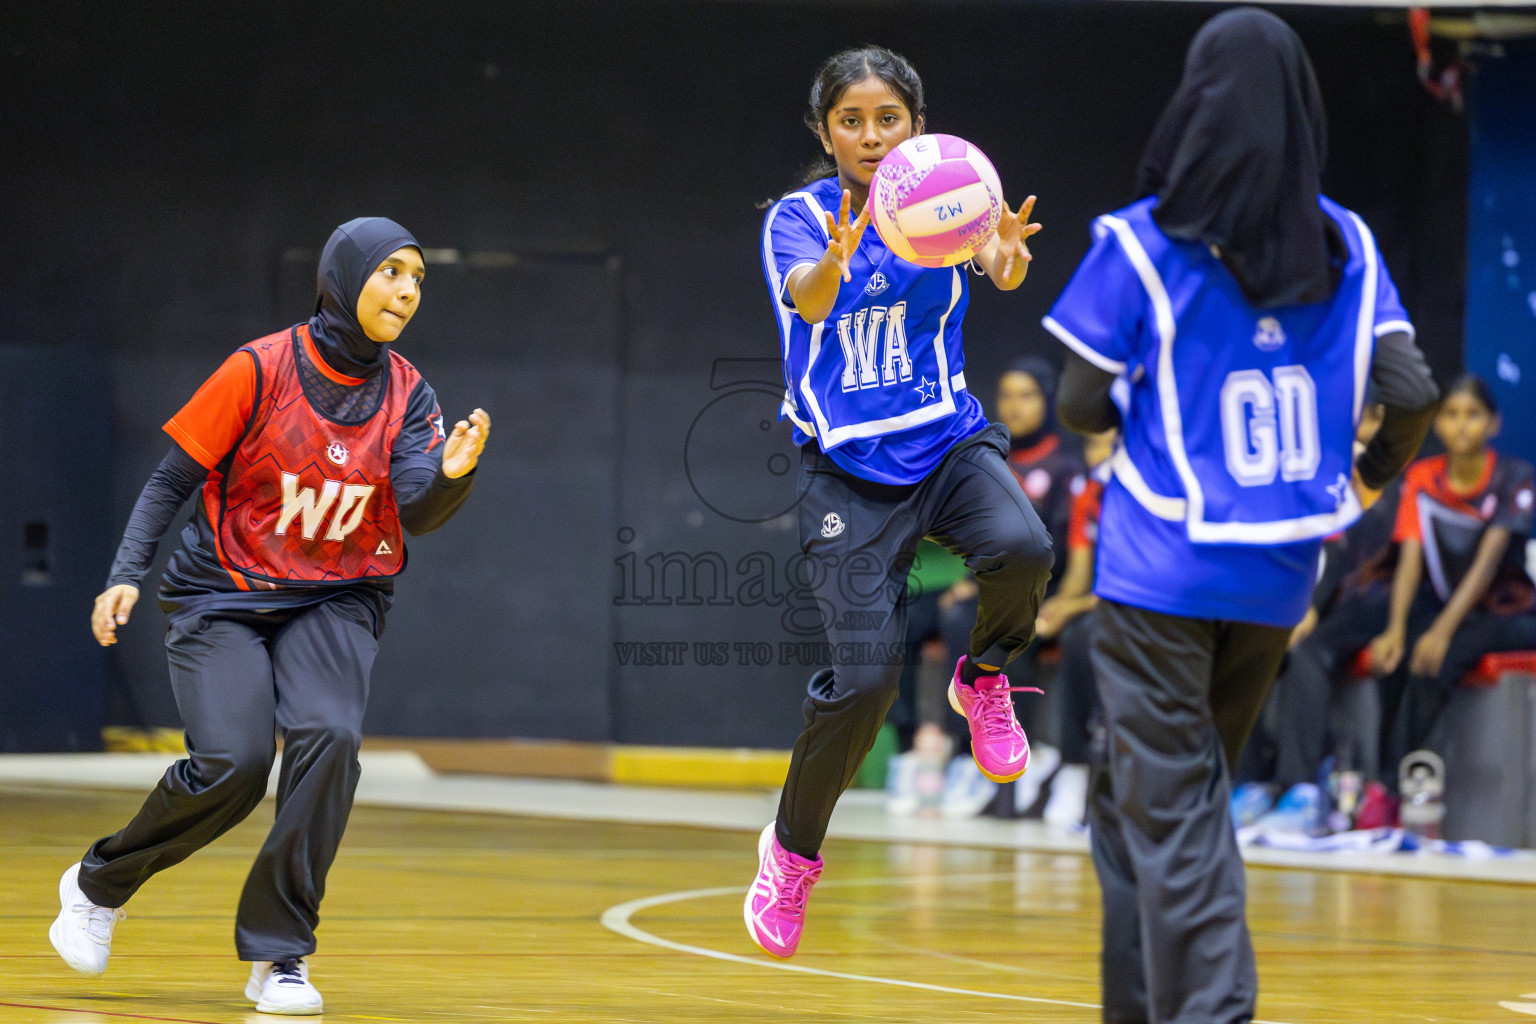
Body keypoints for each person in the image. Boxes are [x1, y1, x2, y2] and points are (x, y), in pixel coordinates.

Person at [1044, 9, 1438, 1022]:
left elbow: (1080, 403)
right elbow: (1410, 389)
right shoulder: (1345, 240)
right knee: (1136, 804)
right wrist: (1359, 484)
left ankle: (1214, 1011)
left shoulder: (1139, 246)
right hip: (1274, 578)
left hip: (1156, 573)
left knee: (1173, 812)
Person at [50, 218, 490, 1016]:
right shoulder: (260, 368)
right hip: (222, 593)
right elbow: (169, 480)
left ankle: (280, 956)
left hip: (338, 592)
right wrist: (123, 576)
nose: (406, 292)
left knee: (332, 737)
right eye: (391, 272)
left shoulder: (409, 394)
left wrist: (452, 476)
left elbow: (418, 510)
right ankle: (96, 884)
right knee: (236, 764)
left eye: (418, 280)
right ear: (345, 274)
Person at [748, 45, 1052, 959]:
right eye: (852, 120)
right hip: (846, 470)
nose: (872, 136)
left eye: (889, 119)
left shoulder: (954, 196)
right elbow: (806, 303)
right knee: (868, 681)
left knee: (1026, 548)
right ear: (824, 131)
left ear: (916, 124)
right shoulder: (797, 221)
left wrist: (1001, 260)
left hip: (947, 440)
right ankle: (791, 854)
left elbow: (1001, 272)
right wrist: (833, 265)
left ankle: (985, 679)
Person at [1369, 374, 1536, 791]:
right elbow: (1411, 559)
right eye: (1451, 414)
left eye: (1473, 415)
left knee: (1437, 659)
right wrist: (1397, 629)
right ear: (1438, 423)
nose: (1462, 425)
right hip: (1456, 613)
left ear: (1493, 423)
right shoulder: (1423, 476)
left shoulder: (1516, 477)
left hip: (1512, 615)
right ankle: (1380, 784)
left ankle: (1405, 787)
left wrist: (1440, 634)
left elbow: (1485, 567)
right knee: (1400, 654)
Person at [1033, 426, 1117, 826]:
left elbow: (1136, 582)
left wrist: (1075, 608)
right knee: (1046, 629)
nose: (1099, 452)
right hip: (1100, 602)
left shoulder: (1142, 495)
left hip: (1144, 603)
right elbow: (1080, 573)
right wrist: (1057, 605)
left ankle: (1094, 765)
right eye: (1093, 443)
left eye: (1110, 444)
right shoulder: (1087, 493)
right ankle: (1058, 762)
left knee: (1085, 636)